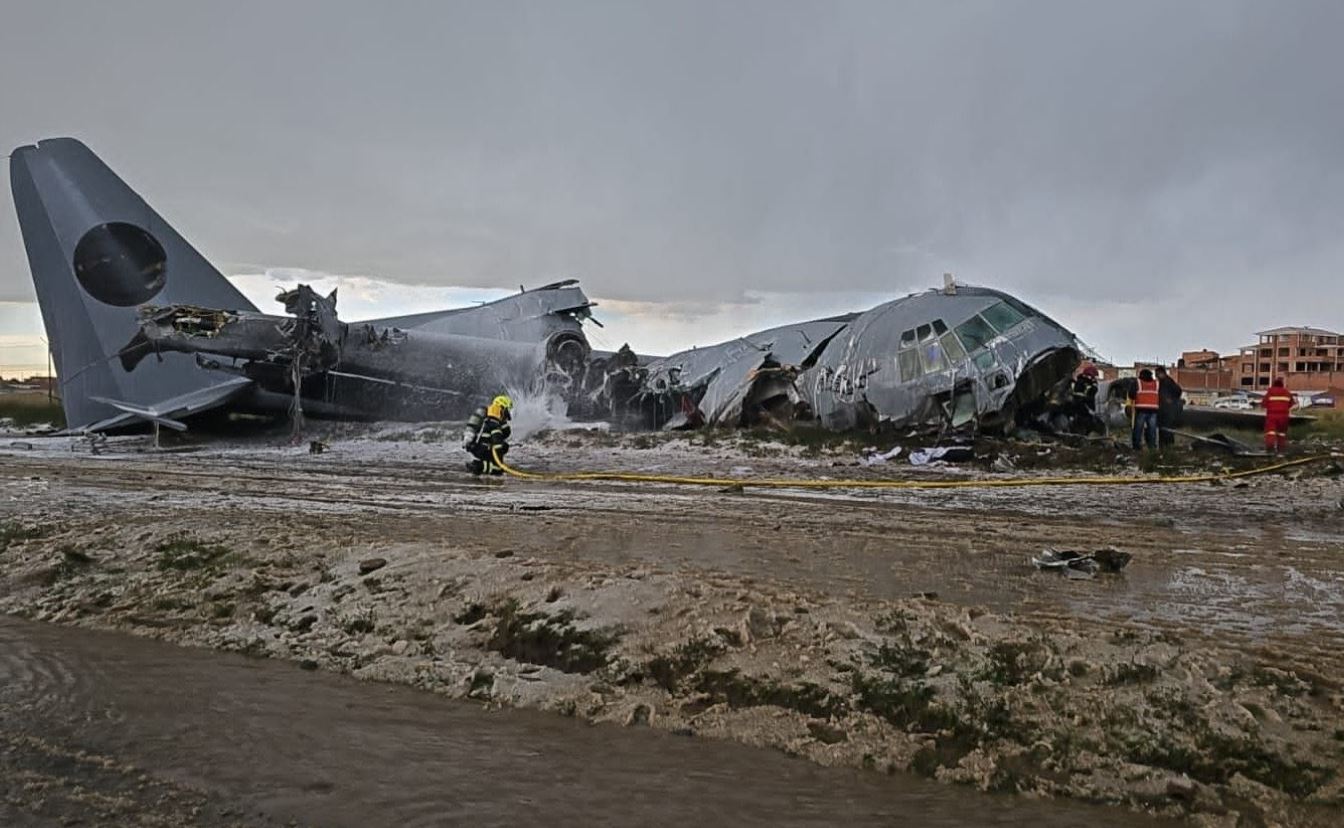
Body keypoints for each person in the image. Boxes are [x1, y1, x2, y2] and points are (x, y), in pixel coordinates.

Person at [463, 394, 513, 475]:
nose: (508, 413)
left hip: (476, 446)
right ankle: (479, 466)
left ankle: (480, 464)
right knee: (498, 469)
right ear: (503, 407)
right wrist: (499, 454)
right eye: (508, 410)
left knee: (503, 447)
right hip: (483, 448)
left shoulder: (487, 413)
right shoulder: (494, 417)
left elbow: (506, 432)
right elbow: (497, 435)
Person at [1261, 378, 1295, 455]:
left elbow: (1263, 404)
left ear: (1274, 385)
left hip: (1272, 415)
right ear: (1282, 385)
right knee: (1281, 433)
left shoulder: (1270, 392)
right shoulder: (1287, 392)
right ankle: (1281, 451)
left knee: (1270, 432)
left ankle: (1270, 450)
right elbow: (1291, 404)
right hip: (1284, 416)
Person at [1130, 368, 1160, 450]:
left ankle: (1136, 447)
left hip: (1141, 409)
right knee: (1152, 430)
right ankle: (1152, 447)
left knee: (1138, 429)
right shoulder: (1156, 383)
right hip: (1153, 410)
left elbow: (1131, 394)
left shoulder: (1138, 382)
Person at [1155, 366, 1183, 447]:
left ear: (1162, 373)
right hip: (1163, 409)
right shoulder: (1163, 382)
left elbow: (1178, 391)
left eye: (1157, 374)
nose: (1156, 376)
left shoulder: (1167, 381)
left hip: (1168, 410)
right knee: (1163, 429)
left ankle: (1167, 446)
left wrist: (1171, 400)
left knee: (1167, 429)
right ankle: (1164, 446)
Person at [1068, 363, 1101, 432]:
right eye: (1093, 376)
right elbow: (1087, 396)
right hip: (1083, 410)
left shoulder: (1080, 382)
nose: (1094, 379)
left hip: (1082, 410)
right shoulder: (1084, 383)